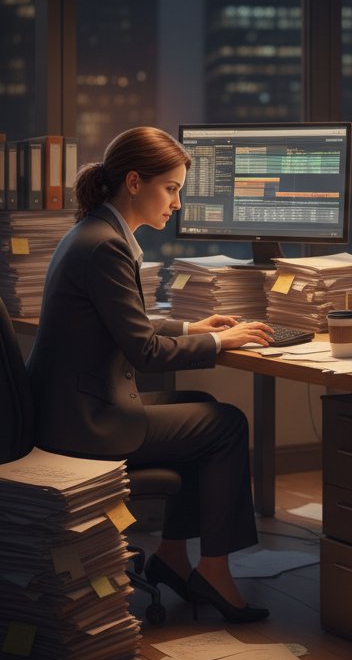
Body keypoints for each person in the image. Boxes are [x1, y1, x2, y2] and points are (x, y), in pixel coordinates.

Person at [26, 126, 277, 623]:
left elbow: (125, 323)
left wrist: (191, 327)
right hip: (87, 423)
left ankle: (173, 557)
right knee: (226, 425)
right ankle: (214, 571)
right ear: (135, 182)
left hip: (74, 408)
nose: (177, 203)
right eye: (171, 188)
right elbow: (143, 350)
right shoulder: (106, 246)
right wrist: (219, 343)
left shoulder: (95, 232)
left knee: (205, 406)